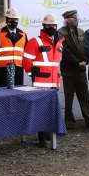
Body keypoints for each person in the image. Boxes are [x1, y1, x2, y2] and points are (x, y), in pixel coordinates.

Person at [23, 14, 65, 147]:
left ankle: (48, 135)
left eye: (53, 25)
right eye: (48, 26)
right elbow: (26, 61)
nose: (51, 28)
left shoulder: (59, 43)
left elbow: (56, 64)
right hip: (41, 84)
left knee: (51, 111)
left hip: (54, 84)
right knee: (40, 112)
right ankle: (41, 138)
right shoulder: (35, 41)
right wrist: (33, 75)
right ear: (43, 26)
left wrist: (57, 79)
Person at [58, 10, 89, 128]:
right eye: (75, 18)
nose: (77, 19)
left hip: (81, 70)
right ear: (68, 19)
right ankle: (69, 121)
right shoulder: (60, 33)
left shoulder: (81, 31)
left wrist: (85, 61)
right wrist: (78, 62)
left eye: (77, 17)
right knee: (69, 98)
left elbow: (86, 48)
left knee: (84, 96)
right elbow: (65, 52)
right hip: (68, 71)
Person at [0, 8, 27, 87]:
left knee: (17, 95)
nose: (13, 21)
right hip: (2, 72)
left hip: (18, 72)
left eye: (15, 19)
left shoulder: (23, 35)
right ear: (6, 20)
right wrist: (0, 62)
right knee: (1, 96)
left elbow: (26, 53)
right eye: (11, 19)